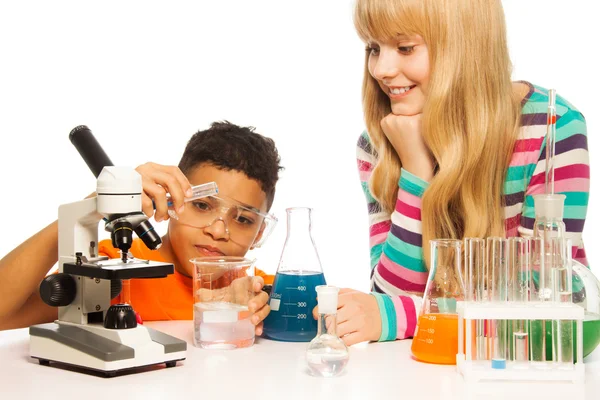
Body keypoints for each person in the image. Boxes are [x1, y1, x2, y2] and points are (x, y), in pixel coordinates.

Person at [323, 0, 590, 346]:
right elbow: (391, 292)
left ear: (463, 46)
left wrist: (397, 317)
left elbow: (538, 306)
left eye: (405, 48)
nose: (382, 70)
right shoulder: (380, 143)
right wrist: (415, 172)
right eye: (374, 48)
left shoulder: (553, 128)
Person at [0, 121, 283, 335]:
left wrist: (327, 314)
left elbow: (321, 309)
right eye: (202, 205)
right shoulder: (106, 268)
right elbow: (4, 314)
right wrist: (101, 202)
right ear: (173, 200)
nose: (219, 231)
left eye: (243, 219)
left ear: (259, 233)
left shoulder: (255, 292)